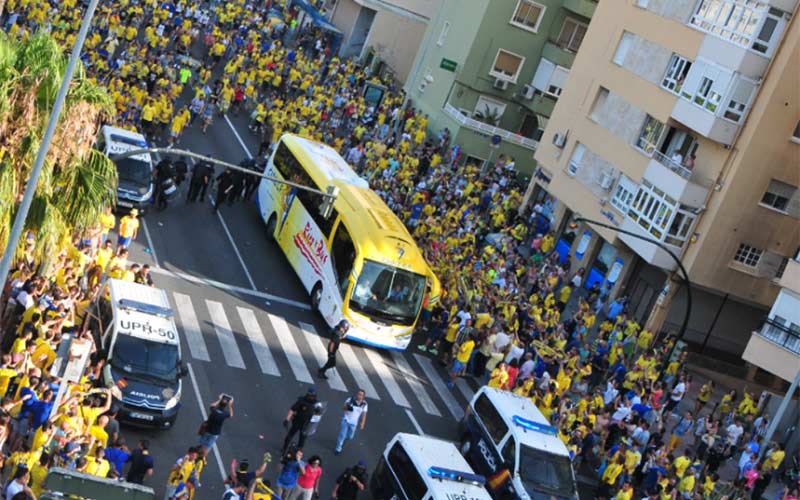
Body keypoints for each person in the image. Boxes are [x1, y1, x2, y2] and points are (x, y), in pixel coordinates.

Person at [282, 387, 318, 453]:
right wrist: (287, 419)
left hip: (306, 425)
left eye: (313, 396)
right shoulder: (302, 401)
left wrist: (313, 426)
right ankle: (284, 448)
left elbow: (317, 415)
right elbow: (292, 409)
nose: (312, 397)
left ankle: (297, 452)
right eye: (311, 396)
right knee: (290, 435)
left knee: (302, 440)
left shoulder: (316, 404)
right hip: (297, 422)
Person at [335, 389, 368, 455]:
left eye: (361, 395)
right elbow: (343, 408)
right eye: (358, 394)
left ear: (363, 397)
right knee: (342, 434)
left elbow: (364, 414)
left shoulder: (364, 404)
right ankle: (338, 448)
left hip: (354, 423)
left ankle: (342, 440)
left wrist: (362, 423)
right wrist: (348, 406)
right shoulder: (350, 400)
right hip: (346, 420)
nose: (359, 396)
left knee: (350, 436)